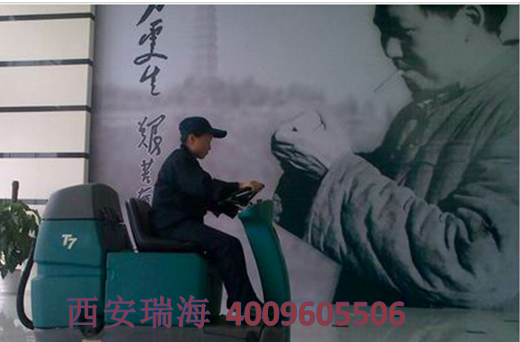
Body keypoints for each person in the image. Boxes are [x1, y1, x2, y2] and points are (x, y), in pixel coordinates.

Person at [271, 5, 518, 310]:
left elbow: (476, 267)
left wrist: (336, 170)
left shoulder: (512, 105)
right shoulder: (419, 112)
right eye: (384, 31)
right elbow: (379, 229)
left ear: (469, 20)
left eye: (405, 31)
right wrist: (308, 171)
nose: (390, 49)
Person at [151, 116, 265, 310]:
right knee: (228, 245)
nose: (210, 147)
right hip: (172, 226)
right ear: (192, 139)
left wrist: (236, 202)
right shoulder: (180, 161)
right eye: (208, 141)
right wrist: (240, 186)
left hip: (178, 224)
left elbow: (203, 196)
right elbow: (204, 188)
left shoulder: (187, 162)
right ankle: (245, 306)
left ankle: (241, 302)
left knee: (228, 245)